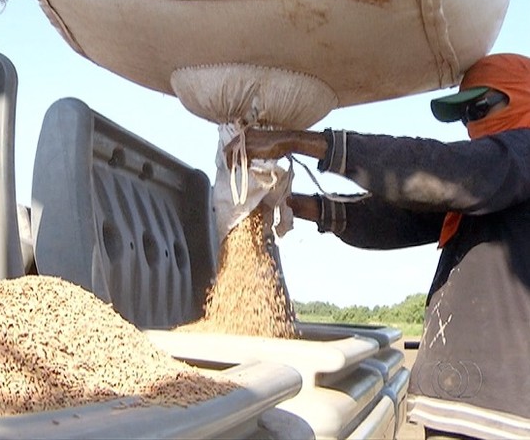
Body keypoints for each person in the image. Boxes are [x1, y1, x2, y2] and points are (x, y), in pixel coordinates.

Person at [225, 53, 530, 440]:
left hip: (501, 416)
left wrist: (309, 143)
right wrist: (290, 203)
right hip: (459, 408)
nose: (472, 124)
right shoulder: (490, 188)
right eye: (465, 115)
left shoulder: (517, 157)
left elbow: (442, 170)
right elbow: (397, 219)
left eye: (481, 107)